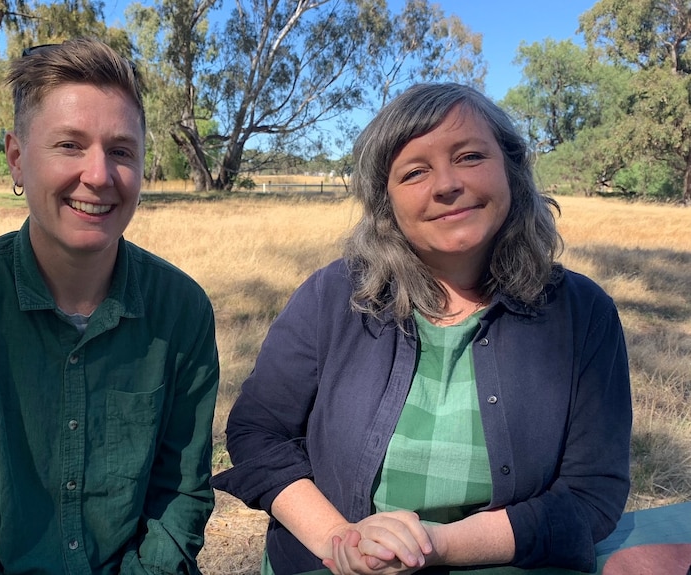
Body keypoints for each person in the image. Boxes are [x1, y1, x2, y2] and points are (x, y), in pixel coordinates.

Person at [211, 82, 632, 575]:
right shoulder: (332, 297)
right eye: (414, 172)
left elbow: (591, 494)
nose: (446, 184)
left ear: (512, 170)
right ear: (385, 203)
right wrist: (341, 541)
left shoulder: (582, 313)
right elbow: (258, 432)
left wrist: (436, 545)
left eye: (470, 156)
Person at [0, 38, 219, 574]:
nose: (100, 175)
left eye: (122, 150)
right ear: (16, 157)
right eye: (69, 145)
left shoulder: (182, 313)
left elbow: (180, 497)